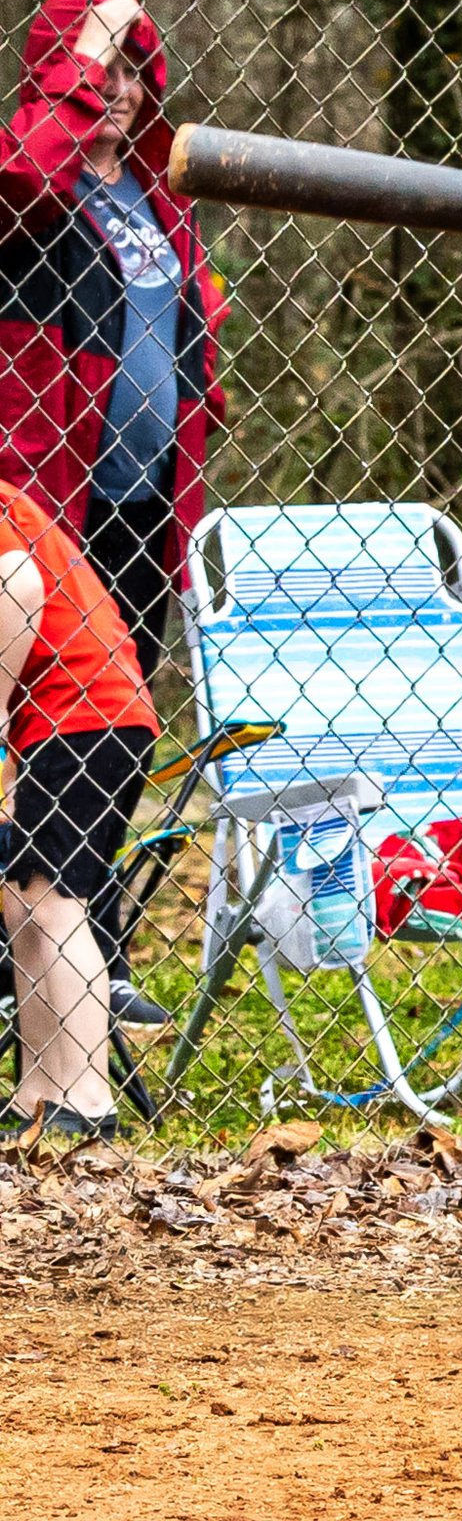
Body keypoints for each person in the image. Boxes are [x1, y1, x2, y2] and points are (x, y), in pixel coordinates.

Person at [0, 0, 225, 1028]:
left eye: (137, 66)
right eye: (101, 66)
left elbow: (189, 339)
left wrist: (199, 415)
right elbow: (29, 166)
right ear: (62, 73)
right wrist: (84, 46)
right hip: (47, 502)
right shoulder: (32, 189)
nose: (121, 89)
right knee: (36, 729)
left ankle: (91, 941)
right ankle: (26, 941)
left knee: (110, 726)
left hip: (142, 507)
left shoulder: (155, 195)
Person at [0, 478, 156, 1136]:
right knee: (24, 902)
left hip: (83, 717)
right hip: (83, 718)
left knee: (55, 906)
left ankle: (88, 1097)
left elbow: (19, 584)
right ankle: (38, 1090)